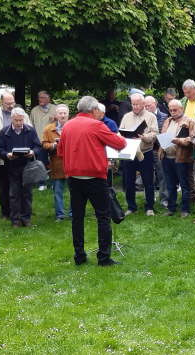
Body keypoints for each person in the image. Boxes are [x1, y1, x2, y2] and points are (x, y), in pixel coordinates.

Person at [59, 96, 127, 266]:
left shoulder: (68, 125)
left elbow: (60, 151)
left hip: (74, 177)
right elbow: (120, 143)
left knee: (77, 218)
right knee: (103, 216)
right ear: (94, 110)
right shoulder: (97, 125)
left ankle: (79, 256)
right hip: (95, 176)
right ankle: (103, 257)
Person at [0, 92, 30, 220]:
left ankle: (21, 211)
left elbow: (30, 131)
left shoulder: (22, 114)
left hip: (21, 157)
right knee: (4, 186)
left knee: (22, 186)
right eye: (7, 103)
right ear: (1, 103)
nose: (11, 106)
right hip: (1, 157)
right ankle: (5, 212)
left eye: (12, 103)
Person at [0, 107, 41, 227]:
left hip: (28, 166)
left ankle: (26, 218)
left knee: (27, 193)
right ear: (12, 119)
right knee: (14, 194)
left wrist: (32, 152)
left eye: (21, 120)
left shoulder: (30, 130)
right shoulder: (4, 132)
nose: (19, 123)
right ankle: (15, 220)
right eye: (16, 120)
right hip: (12, 167)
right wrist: (7, 155)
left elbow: (38, 146)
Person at [119, 93, 159, 216]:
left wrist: (144, 137)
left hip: (145, 152)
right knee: (129, 181)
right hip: (130, 152)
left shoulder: (151, 116)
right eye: (133, 104)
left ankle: (149, 207)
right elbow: (120, 132)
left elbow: (155, 133)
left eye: (137, 104)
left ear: (143, 104)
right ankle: (131, 207)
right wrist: (123, 137)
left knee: (148, 181)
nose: (135, 107)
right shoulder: (126, 116)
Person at [159, 99, 195, 217]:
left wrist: (177, 140)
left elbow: (192, 139)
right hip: (167, 157)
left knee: (184, 185)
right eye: (170, 110)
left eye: (175, 110)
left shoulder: (189, 121)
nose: (172, 112)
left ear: (182, 109)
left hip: (182, 158)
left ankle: (185, 209)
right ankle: (171, 208)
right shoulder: (168, 121)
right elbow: (163, 135)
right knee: (170, 184)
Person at [41, 104, 70, 220]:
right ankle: (60, 214)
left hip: (72, 164)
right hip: (57, 163)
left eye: (65, 113)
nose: (62, 115)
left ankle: (74, 213)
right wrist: (53, 145)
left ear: (68, 115)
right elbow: (43, 144)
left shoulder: (73, 127)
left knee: (75, 191)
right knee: (58, 191)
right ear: (56, 115)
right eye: (60, 113)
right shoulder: (48, 129)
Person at [145, 96, 169, 207]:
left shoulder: (164, 117)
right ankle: (150, 197)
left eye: (148, 105)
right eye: (145, 105)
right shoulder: (143, 117)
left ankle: (164, 198)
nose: (146, 107)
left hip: (159, 149)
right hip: (147, 149)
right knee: (148, 175)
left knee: (162, 174)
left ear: (155, 104)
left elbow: (165, 134)